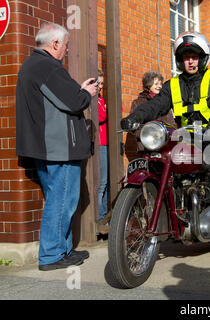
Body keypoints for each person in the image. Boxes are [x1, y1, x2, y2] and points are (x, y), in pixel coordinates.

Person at [120, 31, 210, 260]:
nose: (190, 60)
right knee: (162, 163)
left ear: (202, 58)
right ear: (180, 59)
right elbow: (156, 104)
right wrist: (136, 117)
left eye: (195, 56)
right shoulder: (172, 86)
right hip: (186, 139)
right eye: (186, 56)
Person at [15, 23, 97, 270]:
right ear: (55, 44)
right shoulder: (48, 67)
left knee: (57, 198)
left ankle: (62, 251)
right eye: (66, 45)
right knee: (62, 200)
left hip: (45, 146)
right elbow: (73, 101)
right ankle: (52, 255)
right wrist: (87, 92)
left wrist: (78, 90)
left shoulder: (32, 65)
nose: (67, 50)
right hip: (59, 147)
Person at [97, 70, 110, 231]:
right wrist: (105, 110)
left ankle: (105, 218)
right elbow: (100, 117)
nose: (100, 87)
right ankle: (100, 219)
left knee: (106, 183)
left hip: (106, 143)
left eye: (101, 84)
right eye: (98, 83)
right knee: (101, 184)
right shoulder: (95, 99)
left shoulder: (101, 99)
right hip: (99, 144)